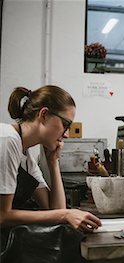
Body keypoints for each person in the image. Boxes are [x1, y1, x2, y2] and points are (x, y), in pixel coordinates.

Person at [0, 85, 102, 232]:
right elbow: (3, 215)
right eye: (65, 125)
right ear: (44, 115)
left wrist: (53, 162)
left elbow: (53, 209)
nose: (66, 134)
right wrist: (66, 214)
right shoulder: (7, 139)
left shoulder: (26, 156)